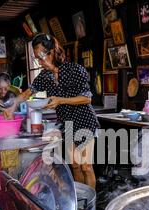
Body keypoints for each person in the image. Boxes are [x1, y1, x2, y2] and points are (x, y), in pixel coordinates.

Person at [8, 33, 99, 188]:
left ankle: (90, 203)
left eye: (41, 56)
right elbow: (28, 92)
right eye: (36, 57)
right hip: (67, 124)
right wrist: (13, 104)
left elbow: (86, 98)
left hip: (85, 121)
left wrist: (60, 100)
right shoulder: (45, 76)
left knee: (86, 166)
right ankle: (80, 202)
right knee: (75, 165)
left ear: (52, 52)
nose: (39, 60)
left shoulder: (74, 70)